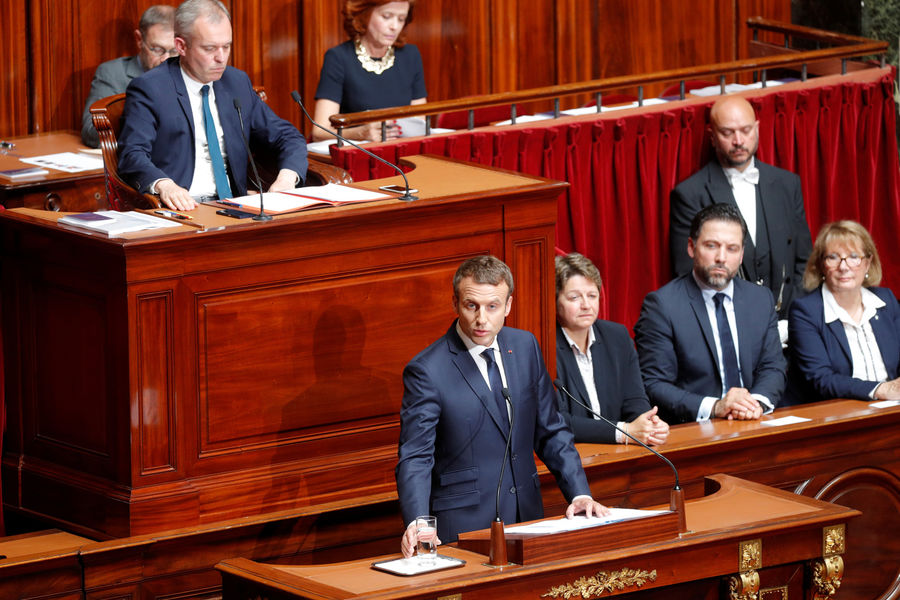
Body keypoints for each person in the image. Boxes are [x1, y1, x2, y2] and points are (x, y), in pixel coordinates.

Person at [396, 255, 608, 556]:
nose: (482, 319)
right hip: (464, 527)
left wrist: (579, 494)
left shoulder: (524, 347)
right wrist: (417, 521)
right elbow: (416, 456)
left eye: (493, 306)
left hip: (528, 518)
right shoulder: (428, 370)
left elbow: (551, 431)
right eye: (472, 306)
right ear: (455, 303)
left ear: (508, 305)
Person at [117, 0, 307, 211]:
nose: (221, 58)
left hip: (236, 206)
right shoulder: (151, 88)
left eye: (226, 46)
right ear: (181, 46)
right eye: (209, 48)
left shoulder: (236, 82)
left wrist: (287, 179)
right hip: (181, 209)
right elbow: (132, 154)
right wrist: (165, 185)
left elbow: (287, 137)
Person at [669, 95, 812, 334]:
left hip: (790, 325)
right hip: (730, 327)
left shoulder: (788, 184)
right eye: (727, 133)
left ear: (757, 128)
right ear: (712, 136)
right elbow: (689, 272)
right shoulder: (690, 194)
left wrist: (792, 318)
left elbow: (804, 260)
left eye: (745, 130)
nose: (738, 141)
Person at [635, 203, 786, 425]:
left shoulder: (760, 299)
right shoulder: (662, 306)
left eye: (732, 248)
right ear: (691, 247)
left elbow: (773, 366)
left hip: (754, 421)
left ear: (742, 254)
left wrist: (755, 404)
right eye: (712, 246)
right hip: (696, 429)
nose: (721, 258)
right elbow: (654, 383)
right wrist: (716, 407)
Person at [554, 253, 669, 445]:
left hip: (617, 454)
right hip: (571, 455)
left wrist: (648, 424)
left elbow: (635, 399)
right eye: (574, 297)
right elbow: (559, 420)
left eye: (592, 295)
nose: (586, 305)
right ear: (555, 302)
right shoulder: (543, 346)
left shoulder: (617, 337)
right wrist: (624, 432)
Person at [786, 221, 900, 404]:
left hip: (890, 409)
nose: (844, 266)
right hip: (834, 415)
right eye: (833, 257)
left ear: (868, 263)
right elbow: (821, 379)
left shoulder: (886, 300)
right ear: (821, 265)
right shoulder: (806, 311)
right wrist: (881, 389)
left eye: (854, 256)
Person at [312, 0, 426, 142]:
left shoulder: (411, 55)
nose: (395, 26)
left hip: (404, 152)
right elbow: (319, 131)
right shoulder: (338, 58)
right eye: (386, 16)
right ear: (364, 14)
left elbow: (421, 123)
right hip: (359, 154)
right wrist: (359, 133)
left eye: (401, 19)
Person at [80, 5, 177, 148]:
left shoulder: (189, 74)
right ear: (139, 39)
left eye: (174, 51)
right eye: (157, 49)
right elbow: (91, 132)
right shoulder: (113, 74)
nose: (166, 59)